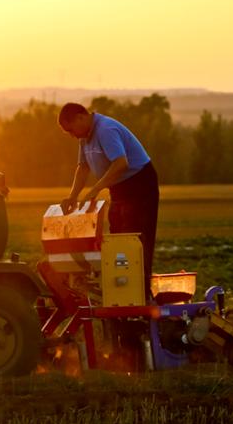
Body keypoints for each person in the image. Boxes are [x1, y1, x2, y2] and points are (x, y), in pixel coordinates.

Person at [58, 102, 159, 299]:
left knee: (136, 241)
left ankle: (141, 295)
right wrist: (72, 196)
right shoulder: (84, 137)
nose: (72, 135)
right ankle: (122, 291)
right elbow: (83, 167)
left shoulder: (106, 130)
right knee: (117, 238)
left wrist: (96, 189)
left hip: (139, 184)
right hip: (119, 188)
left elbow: (121, 163)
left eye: (71, 130)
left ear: (81, 117)